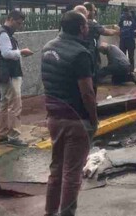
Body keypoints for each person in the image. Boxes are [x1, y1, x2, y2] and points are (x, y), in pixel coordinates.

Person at [42, 11, 98, 216]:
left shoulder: (47, 48)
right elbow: (87, 92)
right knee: (72, 174)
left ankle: (50, 212)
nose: (88, 27)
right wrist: (93, 119)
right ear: (81, 28)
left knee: (56, 170)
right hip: (76, 120)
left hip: (54, 117)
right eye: (86, 25)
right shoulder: (80, 53)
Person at [0, 10, 33, 147]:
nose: (19, 26)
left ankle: (2, 134)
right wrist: (21, 52)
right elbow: (6, 53)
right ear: (10, 19)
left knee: (4, 104)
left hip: (6, 73)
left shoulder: (4, 33)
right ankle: (13, 136)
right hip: (10, 74)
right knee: (15, 105)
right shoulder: (4, 34)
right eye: (18, 23)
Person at [83, 3, 119, 85]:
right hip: (90, 51)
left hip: (78, 50)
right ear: (88, 12)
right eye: (93, 10)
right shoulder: (91, 23)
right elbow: (106, 32)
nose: (95, 12)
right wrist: (117, 32)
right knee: (92, 71)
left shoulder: (76, 22)